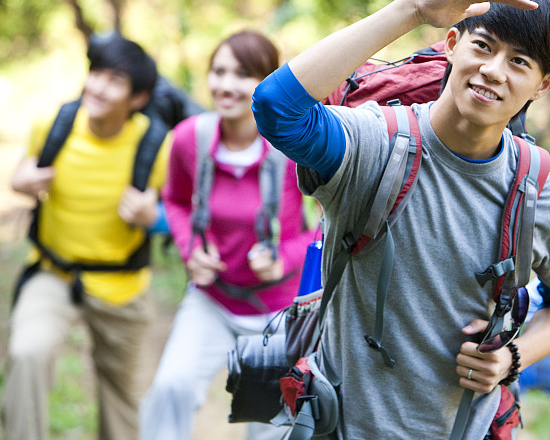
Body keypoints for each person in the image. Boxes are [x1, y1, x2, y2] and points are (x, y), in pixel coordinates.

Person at [251, 0, 550, 439]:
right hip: (340, 425)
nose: (494, 70)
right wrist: (412, 9)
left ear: (543, 85)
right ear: (452, 43)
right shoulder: (373, 145)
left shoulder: (546, 194)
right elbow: (277, 108)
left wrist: (511, 358)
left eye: (519, 61)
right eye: (484, 46)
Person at [139, 30, 315, 440]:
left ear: (267, 82)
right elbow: (176, 203)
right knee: (171, 388)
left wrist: (283, 260)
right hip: (213, 300)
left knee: (269, 425)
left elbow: (325, 228)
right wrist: (191, 249)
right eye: (218, 72)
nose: (226, 85)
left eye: (243, 74)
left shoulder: (295, 147)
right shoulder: (190, 138)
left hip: (278, 312)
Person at [2, 35, 170, 440]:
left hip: (122, 286)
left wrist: (154, 217)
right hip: (52, 274)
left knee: (121, 396)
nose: (96, 86)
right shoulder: (55, 124)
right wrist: (20, 181)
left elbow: (181, 216)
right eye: (95, 72)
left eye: (114, 80)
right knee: (28, 352)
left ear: (138, 97)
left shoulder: (156, 144)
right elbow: (23, 175)